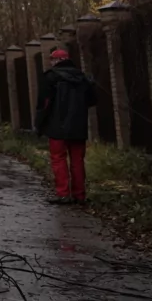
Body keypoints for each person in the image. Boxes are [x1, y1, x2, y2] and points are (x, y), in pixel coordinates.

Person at [35, 47, 98, 205]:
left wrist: (39, 124)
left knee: (58, 159)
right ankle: (79, 195)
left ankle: (63, 194)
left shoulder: (50, 77)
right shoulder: (82, 77)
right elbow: (92, 100)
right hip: (78, 127)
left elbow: (44, 104)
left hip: (57, 127)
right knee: (77, 160)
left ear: (56, 61)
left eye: (52, 60)